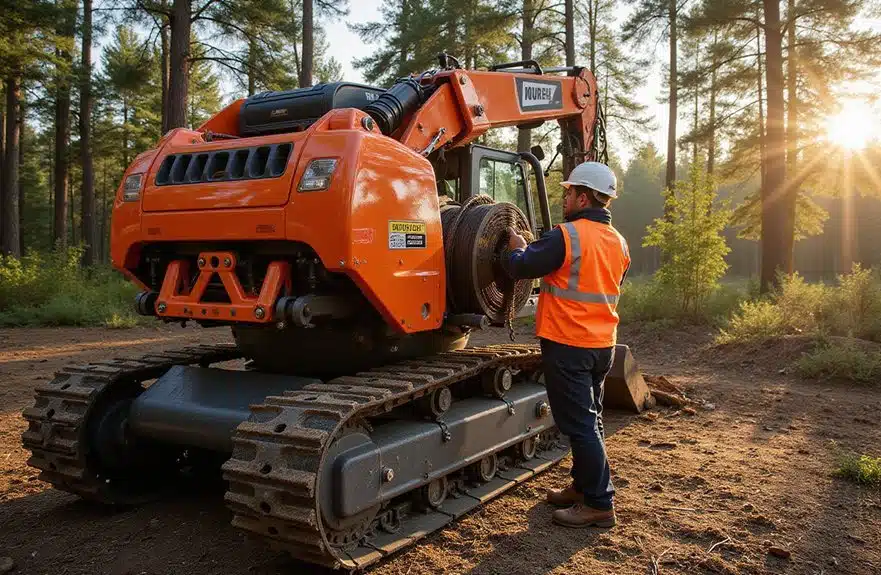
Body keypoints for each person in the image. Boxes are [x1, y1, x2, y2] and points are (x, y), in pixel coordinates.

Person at [505, 161, 630, 529]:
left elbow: (521, 267)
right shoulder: (619, 241)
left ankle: (599, 503)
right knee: (592, 420)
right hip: (602, 345)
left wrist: (516, 247)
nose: (565, 197)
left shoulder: (567, 236)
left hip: (568, 344)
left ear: (585, 196)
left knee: (579, 425)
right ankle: (583, 486)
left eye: (570, 192)